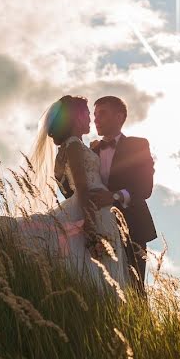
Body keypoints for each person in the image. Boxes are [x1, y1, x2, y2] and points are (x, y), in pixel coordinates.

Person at [20, 95, 129, 292]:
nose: (91, 119)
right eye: (88, 114)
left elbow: (65, 186)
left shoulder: (71, 147)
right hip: (94, 213)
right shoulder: (74, 146)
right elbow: (82, 188)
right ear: (77, 117)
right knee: (98, 272)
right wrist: (91, 227)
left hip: (95, 210)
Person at [59, 96, 155, 293]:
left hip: (133, 227)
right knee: (99, 288)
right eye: (94, 115)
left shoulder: (138, 145)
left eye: (102, 113)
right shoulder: (88, 149)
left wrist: (114, 196)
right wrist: (60, 173)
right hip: (96, 228)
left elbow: (145, 188)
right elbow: (72, 189)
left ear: (119, 116)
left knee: (135, 290)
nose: (96, 119)